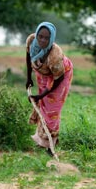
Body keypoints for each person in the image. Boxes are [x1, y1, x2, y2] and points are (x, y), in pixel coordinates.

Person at [26, 22, 73, 156]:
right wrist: (28, 78)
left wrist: (39, 96)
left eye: (46, 38)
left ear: (51, 38)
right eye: (40, 36)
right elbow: (28, 57)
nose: (42, 40)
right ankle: (42, 140)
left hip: (60, 76)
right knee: (44, 105)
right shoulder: (31, 40)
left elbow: (57, 79)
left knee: (52, 109)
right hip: (43, 72)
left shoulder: (55, 56)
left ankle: (50, 147)